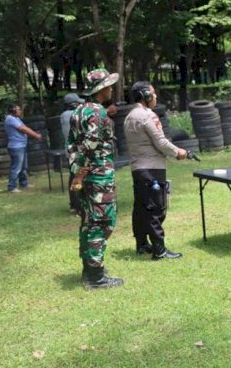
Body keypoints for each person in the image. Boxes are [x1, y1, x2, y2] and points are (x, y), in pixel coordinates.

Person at [68, 68, 123, 290]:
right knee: (102, 222)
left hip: (86, 176)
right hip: (98, 176)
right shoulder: (98, 113)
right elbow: (90, 147)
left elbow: (71, 146)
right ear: (100, 89)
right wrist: (82, 173)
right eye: (108, 86)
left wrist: (77, 172)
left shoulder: (78, 111)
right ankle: (96, 277)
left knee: (88, 222)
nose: (111, 89)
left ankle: (89, 269)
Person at [123, 81, 187, 260]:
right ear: (146, 96)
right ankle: (159, 250)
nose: (156, 97)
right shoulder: (147, 116)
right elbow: (160, 142)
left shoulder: (129, 116)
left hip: (138, 169)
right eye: (153, 93)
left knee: (141, 208)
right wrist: (179, 152)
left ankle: (142, 244)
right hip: (152, 168)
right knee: (156, 209)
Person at [4, 104, 43, 193]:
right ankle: (11, 187)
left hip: (21, 145)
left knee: (23, 167)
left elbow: (25, 128)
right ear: (13, 110)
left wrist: (34, 134)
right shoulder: (10, 119)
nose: (20, 111)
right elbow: (23, 129)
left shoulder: (16, 119)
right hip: (16, 146)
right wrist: (36, 135)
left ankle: (23, 183)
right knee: (16, 167)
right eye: (18, 109)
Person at [61, 93, 83, 214]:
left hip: (70, 151)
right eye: (78, 103)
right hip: (75, 152)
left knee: (73, 177)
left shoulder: (65, 115)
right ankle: (79, 206)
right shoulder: (71, 115)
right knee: (78, 178)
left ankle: (74, 204)